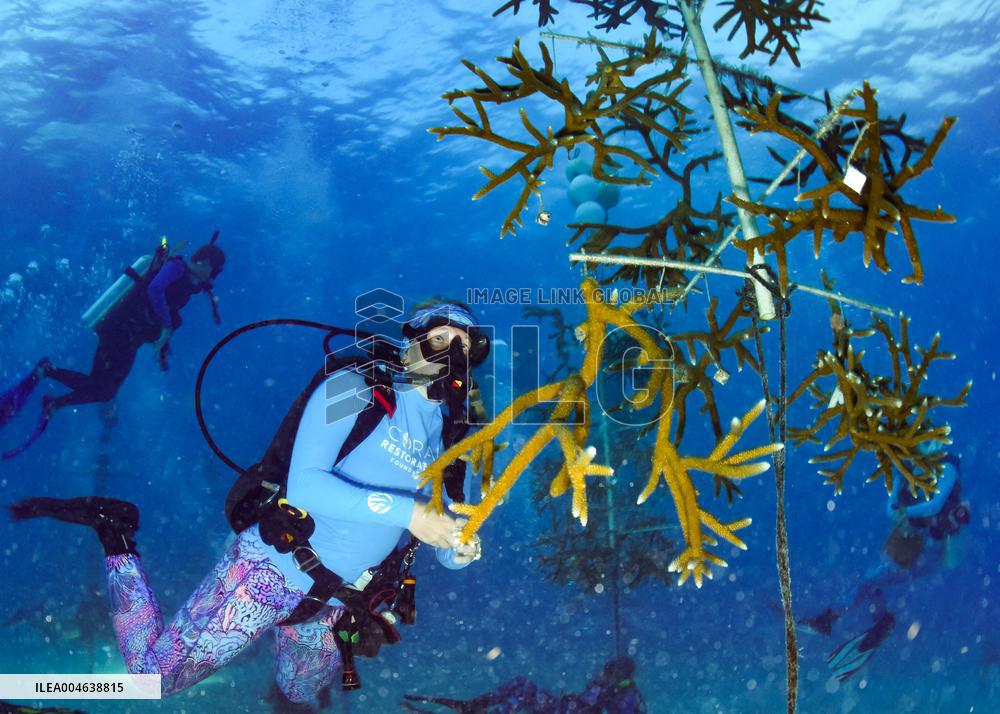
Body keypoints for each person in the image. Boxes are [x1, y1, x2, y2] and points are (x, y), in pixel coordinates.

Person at [8, 299, 489, 707]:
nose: (453, 356)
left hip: (338, 600)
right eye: (440, 340)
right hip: (272, 570)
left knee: (300, 694)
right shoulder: (354, 388)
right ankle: (115, 533)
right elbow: (307, 487)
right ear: (410, 341)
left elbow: (446, 534)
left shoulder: (454, 439)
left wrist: (458, 548)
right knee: (152, 680)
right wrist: (408, 513)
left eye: (465, 348)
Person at [0, 238, 225, 459]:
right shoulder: (176, 267)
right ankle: (49, 384)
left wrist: (164, 340)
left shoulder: (186, 283)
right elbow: (155, 289)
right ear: (205, 262)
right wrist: (166, 326)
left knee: (104, 390)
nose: (213, 277)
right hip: (119, 331)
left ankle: (51, 392)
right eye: (214, 271)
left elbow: (166, 308)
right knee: (104, 389)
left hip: (128, 337)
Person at [799, 438, 969, 681]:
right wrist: (903, 512)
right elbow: (891, 507)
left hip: (929, 548)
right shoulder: (905, 465)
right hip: (909, 540)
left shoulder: (947, 467)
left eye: (930, 441)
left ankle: (842, 620)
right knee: (871, 579)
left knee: (871, 579)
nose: (927, 447)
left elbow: (934, 506)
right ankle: (870, 622)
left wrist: (905, 513)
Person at [402, 656, 647, 713]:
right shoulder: (607, 687)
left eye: (606, 672)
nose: (600, 674)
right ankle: (475, 705)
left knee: (519, 697)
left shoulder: (624, 694)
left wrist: (605, 692)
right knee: (521, 684)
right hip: (562, 708)